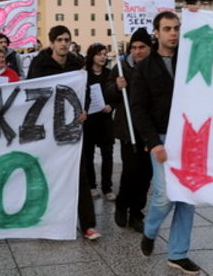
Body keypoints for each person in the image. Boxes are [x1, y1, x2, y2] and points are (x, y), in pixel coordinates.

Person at [130, 11, 201, 274]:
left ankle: (178, 254)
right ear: (156, 33)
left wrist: (199, 17)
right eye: (168, 28)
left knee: (187, 197)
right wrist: (153, 142)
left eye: (177, 28)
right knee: (164, 195)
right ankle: (150, 231)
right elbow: (138, 109)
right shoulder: (144, 68)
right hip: (161, 139)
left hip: (190, 138)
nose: (173, 33)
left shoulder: (191, 60)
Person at [27, 25, 100, 240]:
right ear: (51, 43)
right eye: (59, 39)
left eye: (67, 39)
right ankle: (46, 223)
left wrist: (84, 109)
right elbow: (30, 92)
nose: (63, 43)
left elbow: (85, 92)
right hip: (46, 130)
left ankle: (88, 224)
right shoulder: (39, 65)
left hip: (72, 129)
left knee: (79, 175)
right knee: (48, 174)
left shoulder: (77, 65)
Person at [104, 28, 153, 232]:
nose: (137, 51)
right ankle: (122, 204)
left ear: (149, 48)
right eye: (134, 47)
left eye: (141, 47)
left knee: (146, 174)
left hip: (149, 130)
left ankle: (136, 213)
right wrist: (116, 87)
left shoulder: (155, 67)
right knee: (131, 171)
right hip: (128, 129)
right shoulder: (121, 68)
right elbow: (108, 93)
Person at [82, 43, 115, 200]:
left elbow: (116, 95)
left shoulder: (110, 74)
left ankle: (107, 187)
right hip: (89, 121)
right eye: (99, 54)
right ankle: (92, 185)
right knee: (88, 155)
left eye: (104, 54)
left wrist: (111, 105)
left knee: (108, 155)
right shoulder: (84, 75)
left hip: (105, 120)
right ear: (92, 56)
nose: (102, 57)